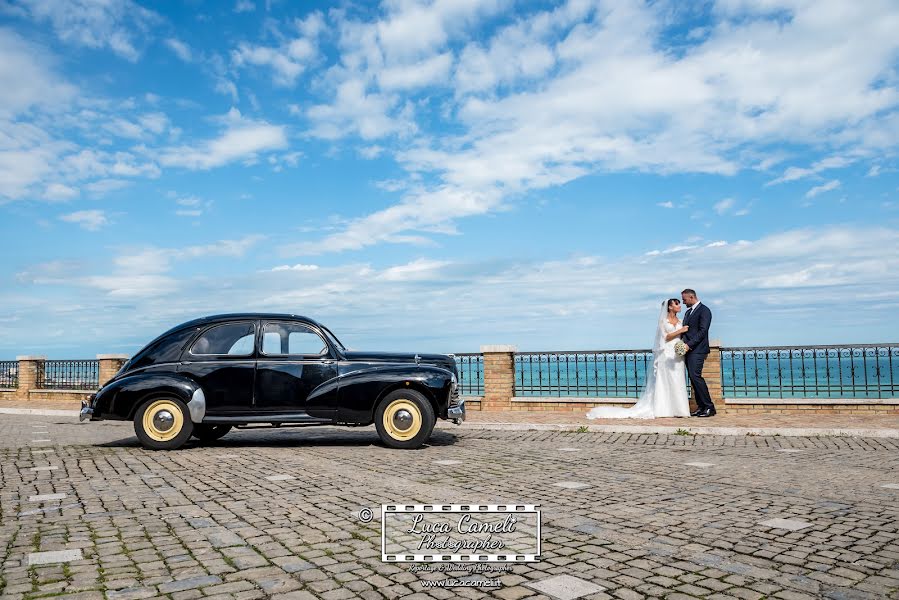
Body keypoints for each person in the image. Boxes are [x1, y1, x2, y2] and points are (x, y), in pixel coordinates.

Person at [587, 299, 690, 419]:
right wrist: (680, 330)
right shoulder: (663, 321)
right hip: (665, 353)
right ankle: (664, 409)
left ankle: (680, 409)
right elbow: (665, 337)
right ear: (670, 307)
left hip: (677, 353)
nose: (679, 306)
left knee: (677, 379)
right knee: (664, 381)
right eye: (676, 304)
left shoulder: (681, 321)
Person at [681, 288, 715, 417]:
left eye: (684, 299)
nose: (683, 302)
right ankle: (701, 407)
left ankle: (709, 407)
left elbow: (703, 331)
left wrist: (689, 345)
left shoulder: (704, 310)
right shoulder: (688, 312)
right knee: (692, 378)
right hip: (688, 350)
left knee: (696, 377)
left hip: (698, 350)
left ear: (691, 297)